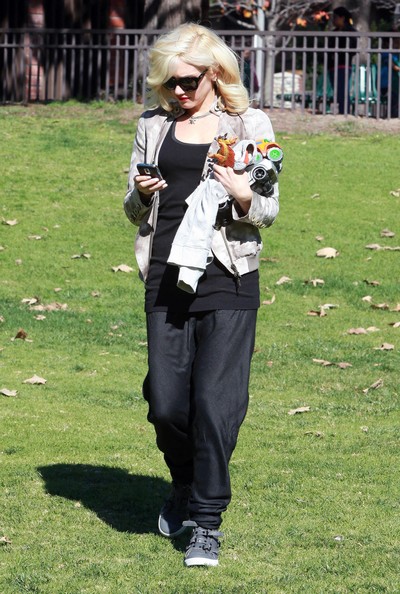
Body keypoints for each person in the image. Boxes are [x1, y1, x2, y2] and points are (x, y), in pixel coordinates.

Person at [123, 23, 280, 567]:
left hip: (227, 277)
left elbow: (268, 208)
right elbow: (131, 209)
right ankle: (185, 484)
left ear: (214, 74)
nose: (178, 91)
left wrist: (243, 196)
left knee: (214, 405)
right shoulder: (153, 126)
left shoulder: (249, 124)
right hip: (166, 276)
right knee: (166, 404)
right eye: (169, 83)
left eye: (188, 81)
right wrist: (141, 193)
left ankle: (206, 522)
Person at [327, 6, 357, 114]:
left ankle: (345, 111)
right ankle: (341, 110)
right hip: (332, 66)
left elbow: (353, 49)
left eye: (335, 17)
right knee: (337, 90)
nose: (333, 20)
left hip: (343, 65)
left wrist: (340, 53)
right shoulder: (333, 33)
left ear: (342, 18)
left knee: (343, 90)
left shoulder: (351, 32)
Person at [380, 35, 400, 118]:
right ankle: (392, 115)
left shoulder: (396, 54)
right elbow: (394, 66)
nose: (397, 45)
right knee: (394, 97)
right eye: (396, 42)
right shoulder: (386, 54)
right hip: (386, 84)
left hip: (394, 83)